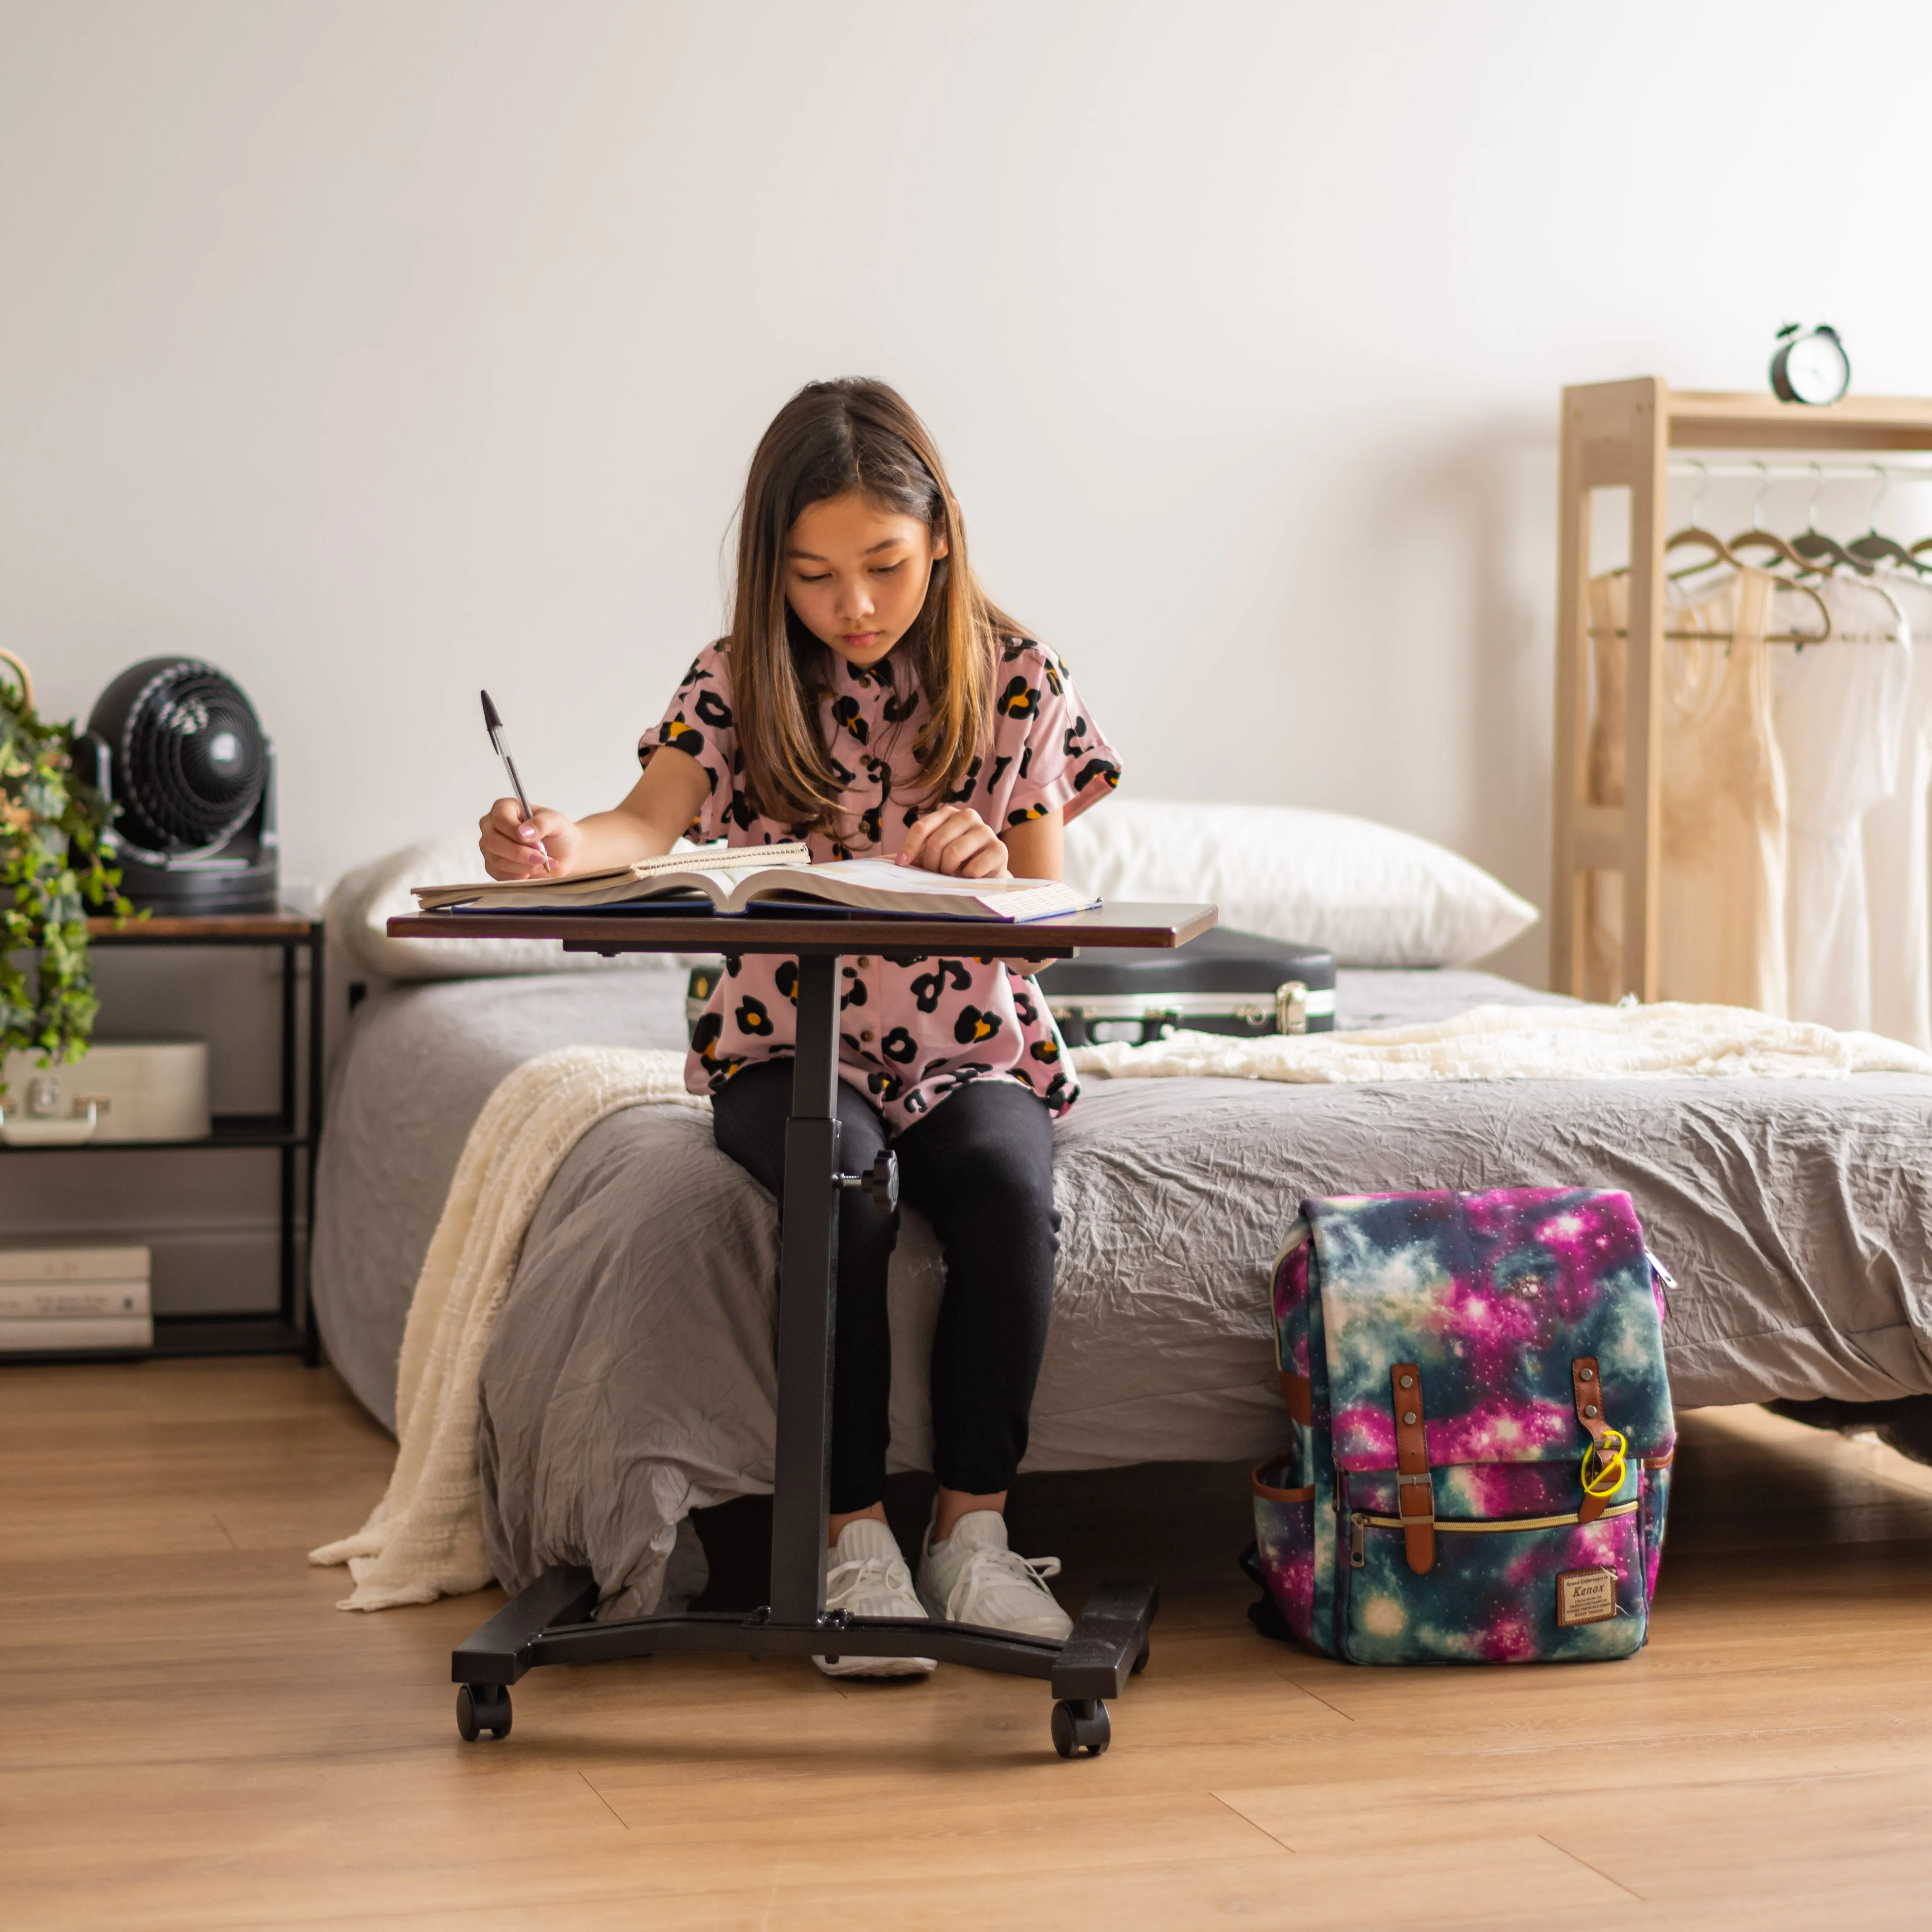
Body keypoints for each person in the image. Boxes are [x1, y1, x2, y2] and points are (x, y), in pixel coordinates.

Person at [479, 378, 1121, 1676]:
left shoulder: (1017, 679)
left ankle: (974, 1535)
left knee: (1004, 1191)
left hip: (968, 1050)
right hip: (785, 1045)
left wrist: (989, 861)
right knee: (841, 1185)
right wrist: (553, 845)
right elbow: (641, 825)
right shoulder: (735, 679)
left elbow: (1050, 909)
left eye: (884, 566)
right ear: (771, 569)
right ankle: (847, 1539)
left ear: (938, 536)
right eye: (815, 574)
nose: (856, 606)